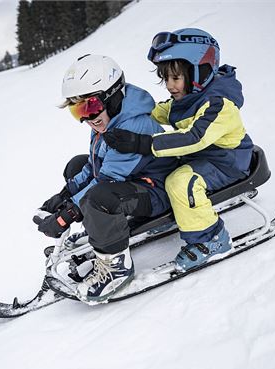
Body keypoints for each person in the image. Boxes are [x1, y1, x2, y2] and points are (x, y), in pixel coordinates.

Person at [103, 28, 254, 272]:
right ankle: (173, 211)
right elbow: (154, 112)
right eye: (166, 79)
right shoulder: (184, 98)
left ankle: (211, 239)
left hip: (226, 163)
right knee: (157, 171)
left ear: (200, 72)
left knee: (180, 182)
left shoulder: (220, 104)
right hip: (199, 159)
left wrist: (141, 143)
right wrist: (122, 113)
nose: (169, 86)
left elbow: (193, 138)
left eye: (176, 78)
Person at [34, 54, 177, 303]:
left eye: (89, 107)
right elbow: (94, 166)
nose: (86, 118)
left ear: (113, 97)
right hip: (133, 184)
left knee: (99, 198)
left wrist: (66, 215)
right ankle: (103, 230)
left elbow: (106, 181)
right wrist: (65, 196)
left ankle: (115, 269)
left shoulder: (131, 126)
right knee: (77, 165)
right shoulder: (108, 120)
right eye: (77, 110)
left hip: (158, 192)